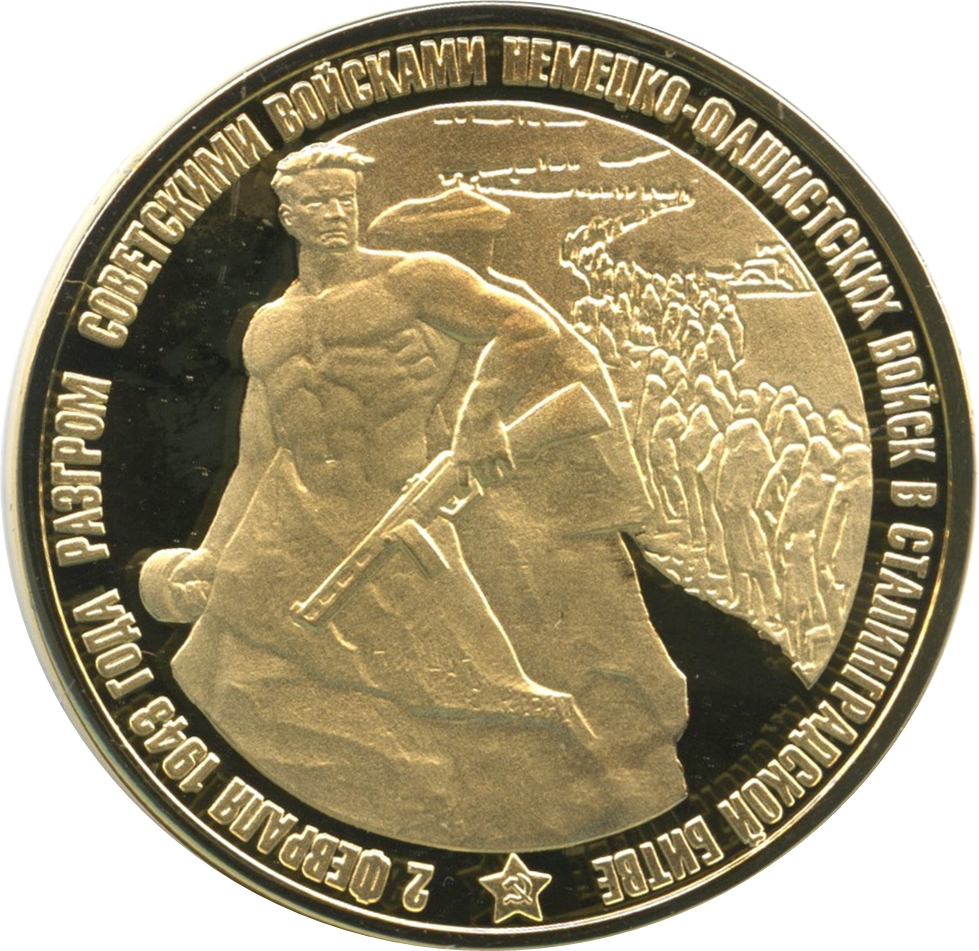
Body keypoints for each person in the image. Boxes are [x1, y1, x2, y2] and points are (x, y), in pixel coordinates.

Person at [140, 142, 687, 852]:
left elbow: (529, 327)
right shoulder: (269, 326)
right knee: (220, 674)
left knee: (484, 691)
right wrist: (212, 557)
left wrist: (480, 419)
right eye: (318, 201)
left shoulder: (412, 279)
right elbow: (257, 455)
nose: (335, 213)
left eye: (344, 199)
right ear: (288, 215)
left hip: (398, 509)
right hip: (290, 523)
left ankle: (606, 795)